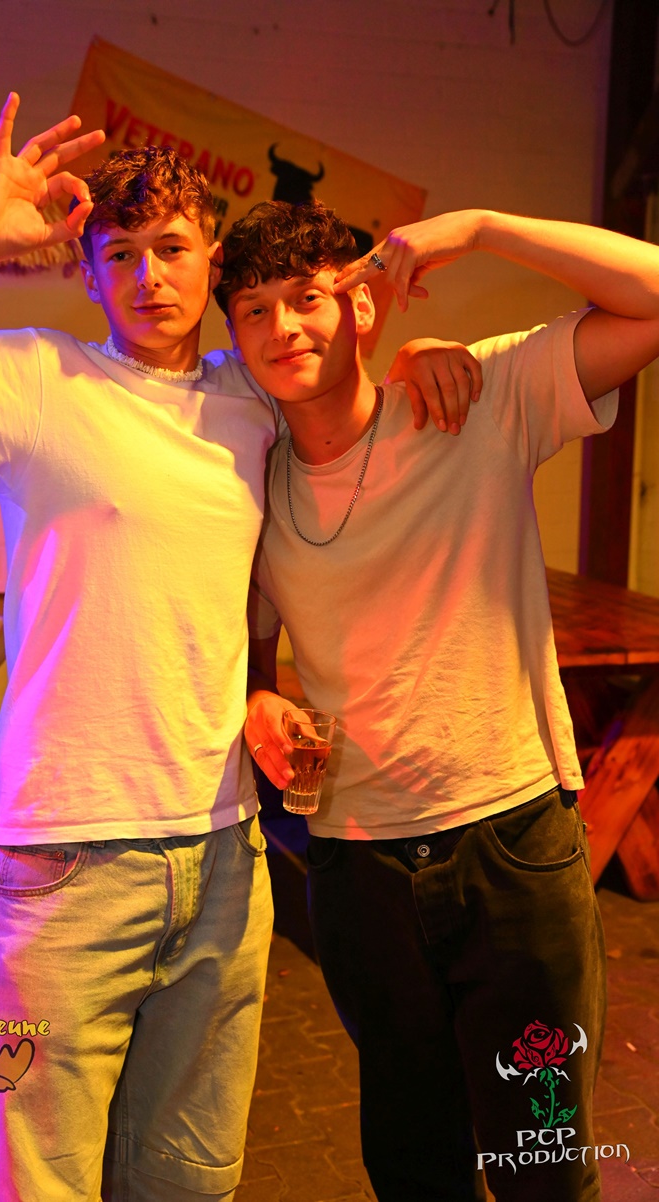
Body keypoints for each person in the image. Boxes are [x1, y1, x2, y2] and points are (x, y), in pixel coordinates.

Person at [0, 97, 476, 1201]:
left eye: (173, 249)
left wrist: (424, 346)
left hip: (225, 858)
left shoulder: (248, 399)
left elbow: (337, 393)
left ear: (209, 260)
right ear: (88, 274)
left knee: (189, 1178)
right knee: (29, 1181)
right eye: (121, 255)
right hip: (67, 861)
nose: (149, 276)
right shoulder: (34, 379)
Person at [216, 199, 659, 1202]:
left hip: (511, 846)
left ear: (363, 307)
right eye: (254, 310)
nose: (284, 327)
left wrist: (485, 226)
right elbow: (251, 653)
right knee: (414, 1170)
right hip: (359, 868)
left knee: (543, 1167)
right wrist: (258, 695)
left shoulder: (479, 400)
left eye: (308, 298)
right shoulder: (248, 483)